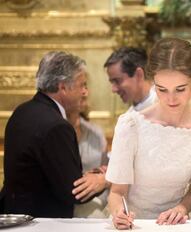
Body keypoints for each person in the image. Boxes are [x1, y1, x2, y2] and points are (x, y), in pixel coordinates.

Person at [106, 38, 191, 229]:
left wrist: (182, 208)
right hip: (134, 226)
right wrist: (119, 213)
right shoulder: (131, 126)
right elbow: (117, 192)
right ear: (153, 83)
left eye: (180, 89)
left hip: (178, 225)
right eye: (162, 89)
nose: (171, 99)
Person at [0, 51, 89, 218]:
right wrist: (101, 180)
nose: (85, 92)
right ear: (63, 87)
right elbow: (72, 191)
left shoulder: (21, 111)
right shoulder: (57, 126)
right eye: (81, 85)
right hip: (41, 221)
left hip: (15, 213)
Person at [67, 90, 110, 218]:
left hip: (97, 202)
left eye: (85, 85)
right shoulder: (53, 131)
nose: (85, 92)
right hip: (66, 203)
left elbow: (108, 171)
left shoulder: (96, 132)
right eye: (80, 86)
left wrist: (105, 178)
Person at [104, 47, 157, 112]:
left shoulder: (167, 110)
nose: (113, 89)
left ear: (139, 75)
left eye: (117, 81)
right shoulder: (126, 119)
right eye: (112, 82)